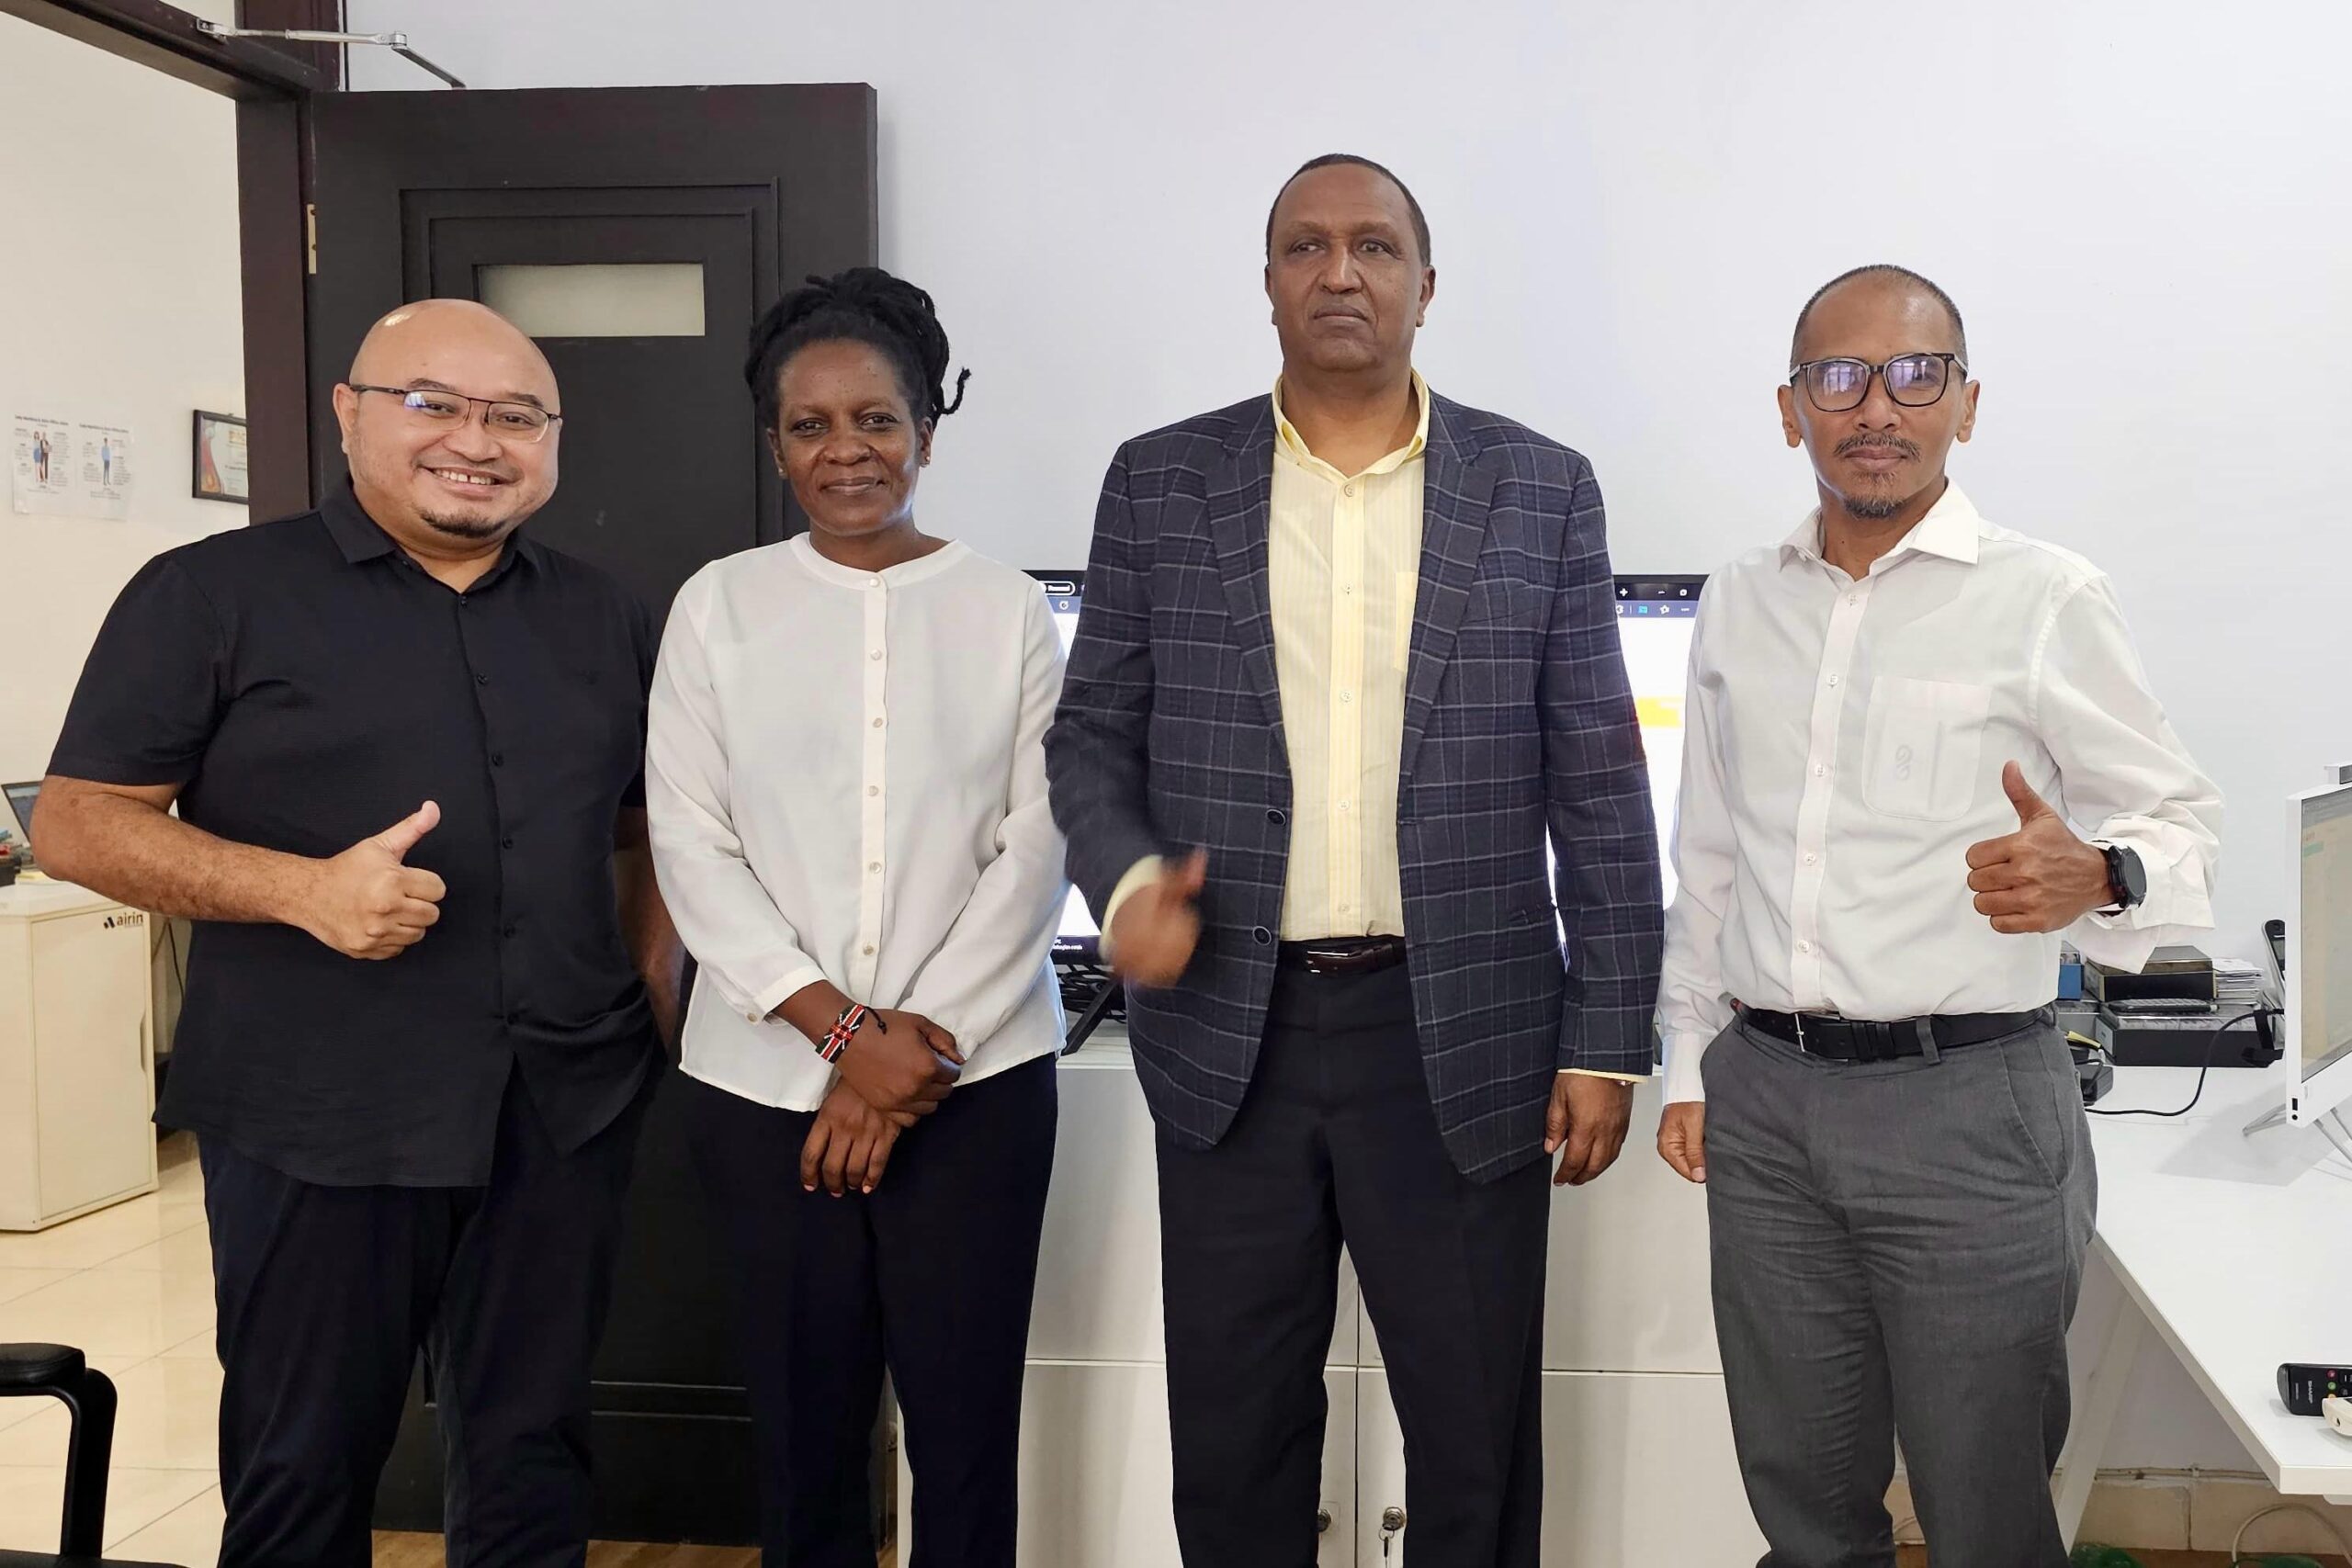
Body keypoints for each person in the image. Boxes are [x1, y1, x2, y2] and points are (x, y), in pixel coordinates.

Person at [1045, 154, 1664, 1568]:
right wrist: (1127, 880)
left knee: (1474, 1446)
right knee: (1237, 1441)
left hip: (1465, 1034)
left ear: (1425, 286)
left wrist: (1607, 1037)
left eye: (1375, 247)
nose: (1341, 272)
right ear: (1268, 281)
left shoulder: (1540, 488)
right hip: (1229, 1029)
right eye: (1307, 246)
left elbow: (1598, 775)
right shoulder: (1160, 482)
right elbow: (1091, 738)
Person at [33, 299, 680, 1568]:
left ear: (553, 440)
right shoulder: (211, 593)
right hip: (316, 1112)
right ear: (349, 413)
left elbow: (641, 830)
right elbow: (76, 822)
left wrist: (652, 993)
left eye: (515, 417)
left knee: (535, 1452)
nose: (476, 443)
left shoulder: (606, 614)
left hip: (560, 1107)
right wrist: (302, 890)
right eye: (432, 404)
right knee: (302, 1465)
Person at [1653, 265, 2222, 1567]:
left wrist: (2105, 875)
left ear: (1966, 404)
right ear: (1790, 409)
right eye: (1838, 376)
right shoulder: (1740, 598)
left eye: (1916, 376)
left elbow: (2184, 825)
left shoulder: (2046, 597)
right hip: (1767, 1105)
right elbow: (1710, 856)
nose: (1877, 407)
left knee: (1987, 1517)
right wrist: (1688, 1060)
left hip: (1969, 1110)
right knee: (1803, 1510)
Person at [648, 266, 1068, 1568]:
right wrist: (843, 1037)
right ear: (776, 443)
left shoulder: (1008, 610)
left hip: (975, 1088)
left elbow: (1039, 842)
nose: (848, 450)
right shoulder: (717, 607)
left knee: (965, 1436)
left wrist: (910, 1050)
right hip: (762, 1089)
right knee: (804, 1438)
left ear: (927, 431)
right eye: (811, 424)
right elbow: (690, 844)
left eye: (877, 419)